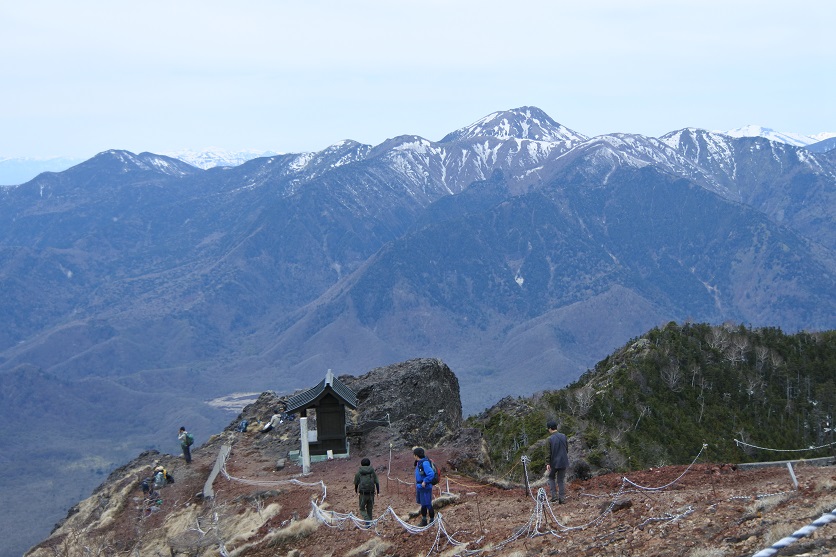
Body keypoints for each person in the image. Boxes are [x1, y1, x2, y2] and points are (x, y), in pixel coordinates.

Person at [545, 420, 569, 503]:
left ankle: (554, 496)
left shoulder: (549, 439)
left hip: (554, 463)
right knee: (561, 480)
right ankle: (562, 498)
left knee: (551, 477)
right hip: (564, 461)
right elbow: (566, 449)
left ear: (550, 429)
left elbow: (548, 453)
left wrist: (547, 463)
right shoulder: (564, 436)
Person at [353, 457, 380, 525]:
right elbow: (377, 482)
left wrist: (356, 491)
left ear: (361, 464)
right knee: (370, 509)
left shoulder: (359, 472)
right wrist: (378, 492)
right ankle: (369, 523)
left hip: (363, 494)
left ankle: (367, 520)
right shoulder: (372, 471)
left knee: (362, 509)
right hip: (371, 493)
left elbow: (356, 483)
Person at [413, 446, 435, 526]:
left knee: (428, 504)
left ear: (416, 455)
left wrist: (425, 481)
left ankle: (432, 521)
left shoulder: (424, 463)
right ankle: (424, 520)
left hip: (424, 487)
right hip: (421, 487)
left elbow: (431, 473)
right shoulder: (420, 462)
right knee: (423, 504)